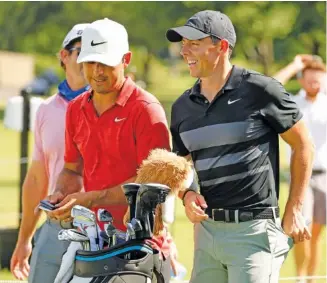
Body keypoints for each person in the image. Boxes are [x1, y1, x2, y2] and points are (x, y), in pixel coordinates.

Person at [166, 10, 315, 283]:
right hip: (207, 234)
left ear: (221, 46)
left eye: (194, 43)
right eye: (183, 43)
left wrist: (294, 207)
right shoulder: (181, 107)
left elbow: (303, 144)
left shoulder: (261, 90)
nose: (184, 50)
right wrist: (187, 195)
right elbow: (181, 165)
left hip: (255, 233)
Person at [45, 18, 172, 281]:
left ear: (126, 59)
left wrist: (92, 198)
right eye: (91, 62)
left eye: (105, 62)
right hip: (92, 239)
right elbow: (72, 168)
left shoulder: (146, 110)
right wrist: (61, 193)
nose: (97, 71)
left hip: (138, 245)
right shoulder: (75, 109)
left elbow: (153, 183)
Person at [10, 23, 89, 282]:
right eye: (81, 50)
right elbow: (36, 178)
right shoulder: (45, 110)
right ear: (63, 56)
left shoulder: (112, 106)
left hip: (101, 229)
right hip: (56, 226)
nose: (90, 58)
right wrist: (24, 240)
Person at [274, 56, 327, 283]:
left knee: (316, 233)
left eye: (319, 78)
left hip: (325, 175)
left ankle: (312, 279)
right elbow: (273, 85)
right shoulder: (293, 103)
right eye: (310, 78)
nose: (314, 82)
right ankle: (300, 277)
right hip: (301, 176)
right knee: (301, 230)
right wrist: (295, 65)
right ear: (301, 80)